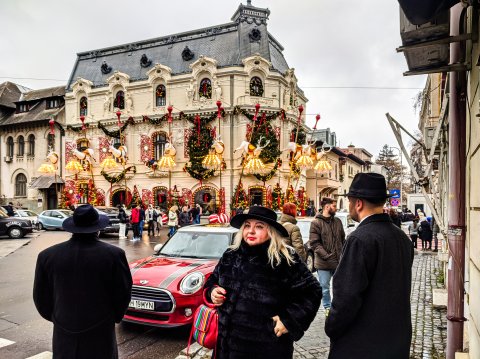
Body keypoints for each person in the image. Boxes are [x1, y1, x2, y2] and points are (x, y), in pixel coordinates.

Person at [204, 206, 321, 359]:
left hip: (266, 348)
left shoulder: (285, 260)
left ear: (271, 231)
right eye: (247, 225)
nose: (251, 231)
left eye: (259, 226)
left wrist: (289, 320)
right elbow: (211, 281)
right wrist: (212, 291)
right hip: (225, 348)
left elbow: (313, 291)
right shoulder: (230, 255)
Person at [325, 173, 414, 359]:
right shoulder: (402, 238)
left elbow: (346, 297)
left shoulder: (359, 239)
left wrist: (331, 326)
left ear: (358, 203)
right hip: (396, 341)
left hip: (362, 345)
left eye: (349, 200)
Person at [33, 204, 132, 359]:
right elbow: (123, 293)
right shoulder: (114, 255)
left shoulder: (47, 256)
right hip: (100, 330)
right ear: (97, 229)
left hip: (64, 329)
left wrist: (57, 317)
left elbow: (40, 297)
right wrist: (113, 317)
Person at [308, 197, 345, 313]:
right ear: (327, 207)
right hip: (323, 263)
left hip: (338, 261)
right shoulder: (316, 223)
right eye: (334, 206)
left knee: (340, 286)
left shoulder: (338, 221)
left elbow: (342, 240)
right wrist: (327, 255)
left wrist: (343, 254)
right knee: (324, 288)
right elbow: (314, 243)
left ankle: (338, 308)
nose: (336, 208)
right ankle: (327, 308)